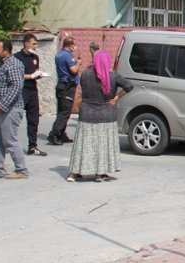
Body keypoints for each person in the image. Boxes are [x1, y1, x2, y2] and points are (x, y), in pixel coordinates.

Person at [66, 50, 133, 182]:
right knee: (102, 145)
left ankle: (75, 172)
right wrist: (116, 98)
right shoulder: (113, 77)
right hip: (106, 114)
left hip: (87, 114)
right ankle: (99, 173)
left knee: (84, 145)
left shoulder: (85, 74)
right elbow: (129, 86)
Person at [0, 39, 29, 180]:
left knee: (9, 140)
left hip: (10, 108)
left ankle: (21, 170)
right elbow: (5, 86)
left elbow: (16, 86)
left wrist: (3, 105)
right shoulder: (4, 64)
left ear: (6, 50)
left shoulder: (13, 64)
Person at [13, 34, 46, 156]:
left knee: (33, 119)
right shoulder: (16, 58)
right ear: (27, 44)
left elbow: (35, 71)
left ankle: (32, 146)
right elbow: (15, 75)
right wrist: (30, 76)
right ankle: (9, 144)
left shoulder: (35, 57)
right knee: (15, 118)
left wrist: (39, 74)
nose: (36, 47)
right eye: (34, 44)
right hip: (20, 91)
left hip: (32, 91)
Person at [48, 36, 82, 146]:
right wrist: (78, 63)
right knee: (64, 113)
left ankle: (61, 134)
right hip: (67, 86)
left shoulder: (59, 54)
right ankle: (54, 134)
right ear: (70, 45)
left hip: (62, 86)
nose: (75, 47)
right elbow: (73, 70)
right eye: (74, 45)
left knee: (62, 111)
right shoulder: (67, 55)